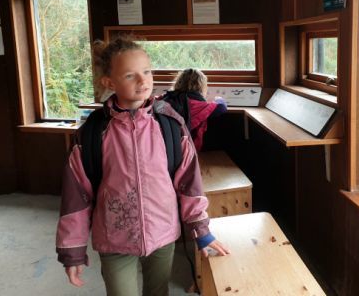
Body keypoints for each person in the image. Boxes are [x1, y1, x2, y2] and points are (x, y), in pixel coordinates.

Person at [55, 37, 229, 295]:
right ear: (109, 82)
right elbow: (76, 196)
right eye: (130, 75)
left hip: (163, 234)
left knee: (158, 291)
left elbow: (188, 183)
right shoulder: (93, 132)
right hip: (114, 238)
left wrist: (200, 229)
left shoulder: (171, 124)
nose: (143, 81)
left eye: (147, 71)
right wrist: (72, 249)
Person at [162, 68, 227, 151]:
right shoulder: (197, 105)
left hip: (165, 146)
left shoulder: (168, 98)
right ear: (201, 86)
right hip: (189, 148)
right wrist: (218, 99)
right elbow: (222, 107)